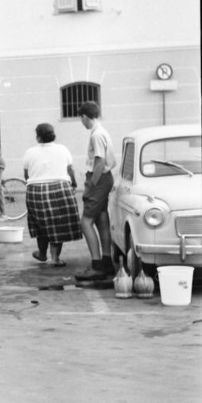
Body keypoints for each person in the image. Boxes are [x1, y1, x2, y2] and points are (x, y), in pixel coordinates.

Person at [22, 123, 81, 267]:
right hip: (60, 188)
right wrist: (74, 184)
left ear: (38, 136)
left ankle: (42, 253)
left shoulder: (30, 152)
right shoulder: (62, 149)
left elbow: (26, 175)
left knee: (41, 224)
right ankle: (55, 258)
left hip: (36, 190)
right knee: (58, 224)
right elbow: (71, 170)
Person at [74, 101, 117, 281]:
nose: (82, 122)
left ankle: (97, 266)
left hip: (98, 179)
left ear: (84, 117)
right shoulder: (102, 131)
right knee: (101, 219)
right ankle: (107, 261)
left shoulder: (96, 134)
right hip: (105, 178)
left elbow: (99, 162)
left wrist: (91, 184)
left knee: (85, 222)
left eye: (81, 119)